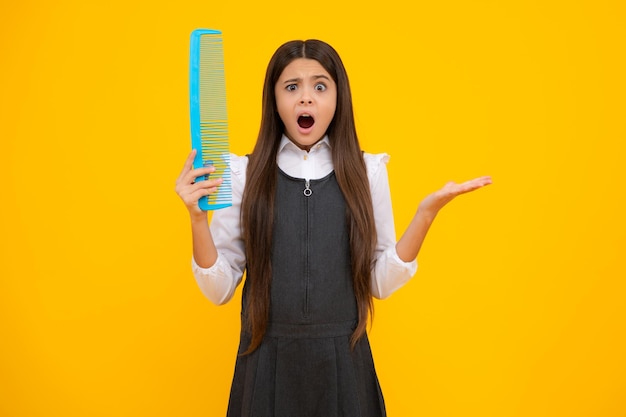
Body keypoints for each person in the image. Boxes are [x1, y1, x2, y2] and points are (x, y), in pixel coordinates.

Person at [175, 39, 491, 417]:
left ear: (338, 99)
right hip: (266, 366)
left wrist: (425, 214)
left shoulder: (367, 171)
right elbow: (219, 288)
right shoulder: (244, 174)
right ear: (274, 101)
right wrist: (197, 218)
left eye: (320, 86)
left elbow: (378, 282)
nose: (306, 99)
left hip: (345, 366)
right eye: (292, 87)